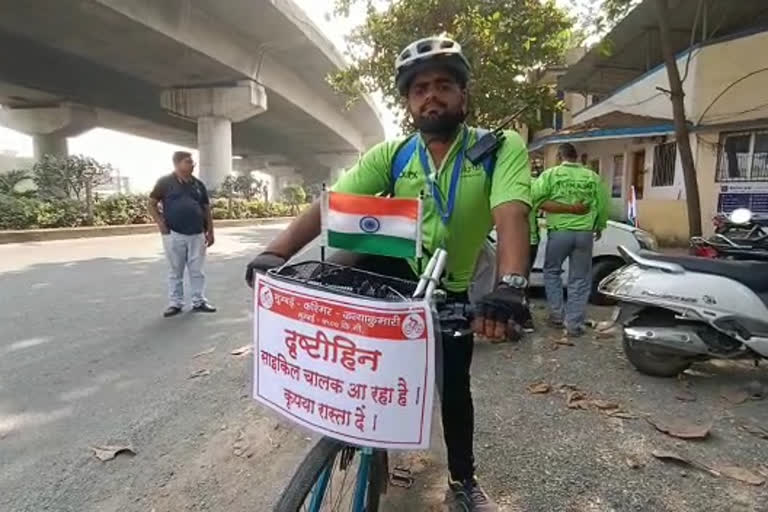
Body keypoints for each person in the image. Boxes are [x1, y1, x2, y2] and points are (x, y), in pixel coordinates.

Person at [246, 36, 532, 511]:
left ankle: (463, 481)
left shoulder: (497, 150)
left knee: (454, 389)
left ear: (464, 96)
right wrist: (273, 254)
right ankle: (346, 425)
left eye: (444, 85)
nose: (431, 96)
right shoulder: (394, 154)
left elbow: (511, 215)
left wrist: (510, 288)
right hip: (395, 276)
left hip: (452, 286)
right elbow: (331, 207)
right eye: (420, 89)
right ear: (409, 102)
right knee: (342, 338)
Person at [532, 143, 608, 337]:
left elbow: (535, 199)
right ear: (577, 157)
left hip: (559, 232)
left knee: (551, 271)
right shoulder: (592, 176)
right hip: (584, 233)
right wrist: (599, 225)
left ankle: (557, 315)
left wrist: (563, 209)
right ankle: (574, 324)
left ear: (559, 157)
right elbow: (602, 204)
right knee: (580, 278)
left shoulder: (550, 175)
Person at [148, 151, 216, 317]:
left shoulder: (198, 185)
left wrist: (210, 231)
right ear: (177, 164)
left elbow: (206, 209)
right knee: (175, 270)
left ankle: (199, 301)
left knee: (197, 270)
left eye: (192, 162)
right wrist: (160, 223)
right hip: (174, 233)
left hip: (197, 233)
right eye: (188, 162)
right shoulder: (164, 182)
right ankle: (175, 303)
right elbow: (151, 204)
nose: (193, 165)